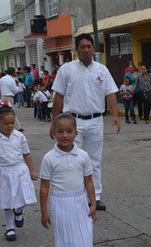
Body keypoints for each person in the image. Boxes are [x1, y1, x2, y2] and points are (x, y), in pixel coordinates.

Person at [51, 33, 121, 211]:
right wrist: (54, 122)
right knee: (72, 158)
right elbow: (58, 96)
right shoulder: (66, 70)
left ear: (93, 48)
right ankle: (75, 194)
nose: (86, 50)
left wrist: (115, 116)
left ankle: (95, 197)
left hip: (96, 121)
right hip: (72, 122)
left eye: (89, 46)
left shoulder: (102, 70)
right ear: (76, 49)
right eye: (82, 47)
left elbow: (110, 93)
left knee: (94, 160)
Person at [39, 113, 96, 247]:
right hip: (60, 202)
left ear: (76, 133)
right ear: (53, 133)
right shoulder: (49, 158)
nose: (65, 135)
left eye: (69, 131)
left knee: (80, 233)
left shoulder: (83, 155)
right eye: (60, 131)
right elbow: (44, 187)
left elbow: (88, 181)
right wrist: (43, 211)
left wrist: (93, 203)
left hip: (79, 199)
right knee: (66, 237)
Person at [0, 106, 38, 241]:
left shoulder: (19, 135)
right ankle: (9, 227)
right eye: (6, 123)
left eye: (12, 123)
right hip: (3, 171)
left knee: (25, 195)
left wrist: (32, 169)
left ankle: (19, 210)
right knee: (7, 200)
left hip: (20, 170)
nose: (10, 126)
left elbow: (26, 153)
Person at [0, 67, 24, 132]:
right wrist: (18, 88)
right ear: (13, 73)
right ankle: (18, 127)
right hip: (9, 97)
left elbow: (0, 87)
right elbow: (15, 90)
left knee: (3, 112)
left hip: (3, 96)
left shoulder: (1, 79)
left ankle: (2, 125)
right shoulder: (11, 80)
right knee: (11, 112)